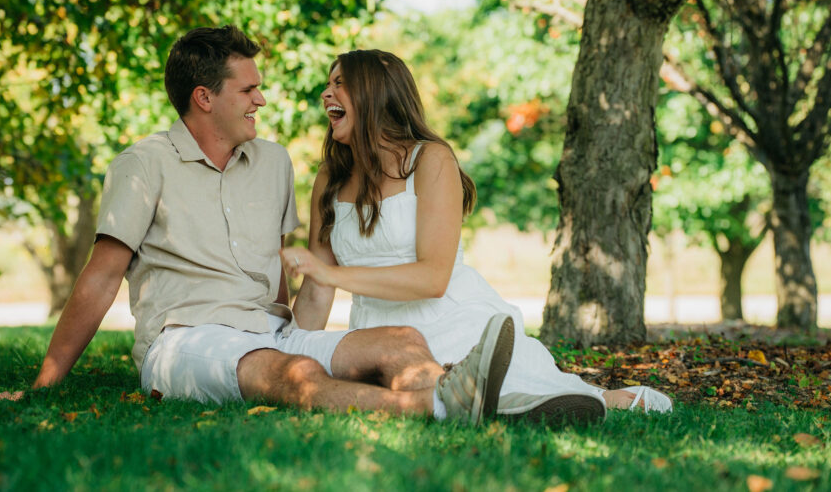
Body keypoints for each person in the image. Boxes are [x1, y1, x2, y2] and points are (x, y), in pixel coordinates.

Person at [32, 26, 517, 425]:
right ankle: (435, 406)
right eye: (247, 90)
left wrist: (306, 335)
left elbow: (278, 272)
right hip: (187, 338)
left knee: (402, 342)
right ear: (204, 98)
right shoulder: (142, 165)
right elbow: (101, 279)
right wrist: (45, 385)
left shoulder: (272, 163)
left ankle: (453, 397)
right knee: (295, 373)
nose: (260, 99)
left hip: (272, 331)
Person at [281, 49, 673, 419]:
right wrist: (286, 355)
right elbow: (316, 288)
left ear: (375, 93)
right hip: (375, 333)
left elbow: (433, 279)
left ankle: (602, 399)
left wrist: (331, 274)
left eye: (339, 83)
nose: (326, 93)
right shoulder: (330, 177)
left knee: (509, 392)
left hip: (452, 321)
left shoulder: (431, 160)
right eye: (327, 84)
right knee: (411, 394)